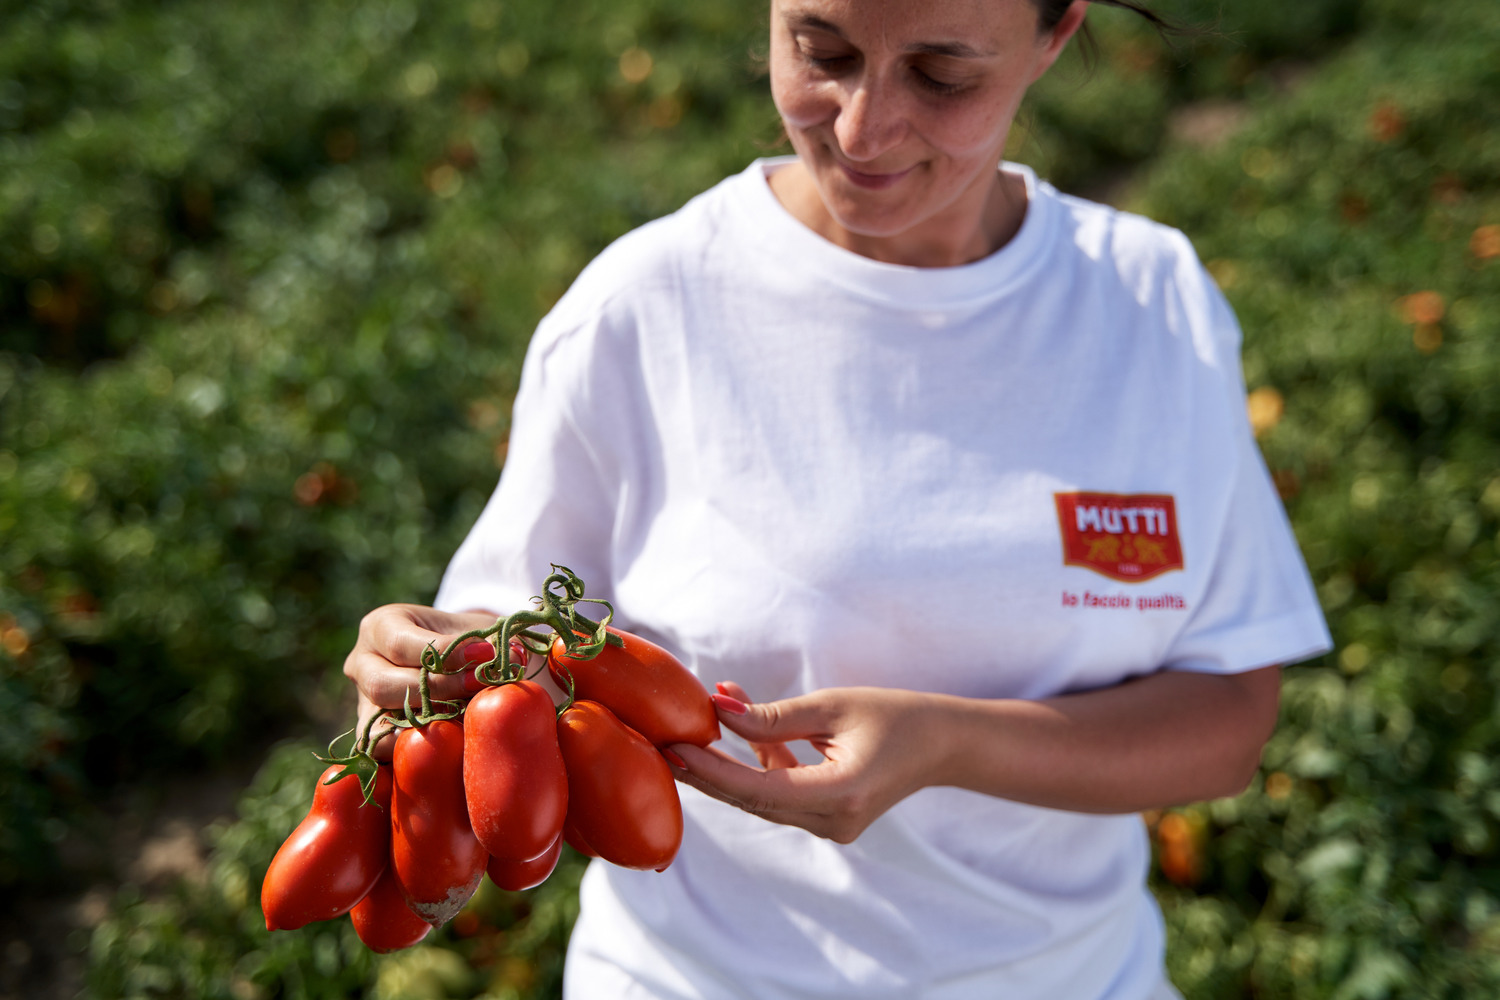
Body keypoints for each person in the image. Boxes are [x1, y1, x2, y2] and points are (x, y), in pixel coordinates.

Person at [343, 0, 1333, 996]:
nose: (862, 128)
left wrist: (950, 743)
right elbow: (497, 644)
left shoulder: (1150, 302)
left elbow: (1229, 715)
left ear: (1055, 37)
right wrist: (426, 668)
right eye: (823, 54)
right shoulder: (643, 309)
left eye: (942, 76)